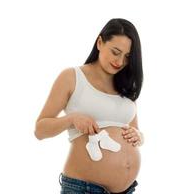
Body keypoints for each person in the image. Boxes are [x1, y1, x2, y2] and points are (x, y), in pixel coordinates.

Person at [35, 18, 144, 194]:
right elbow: (40, 130)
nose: (120, 61)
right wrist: (71, 119)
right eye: (115, 52)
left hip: (127, 190)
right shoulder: (72, 77)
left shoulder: (126, 86)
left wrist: (138, 135)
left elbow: (135, 130)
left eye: (127, 57)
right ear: (100, 42)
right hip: (84, 188)